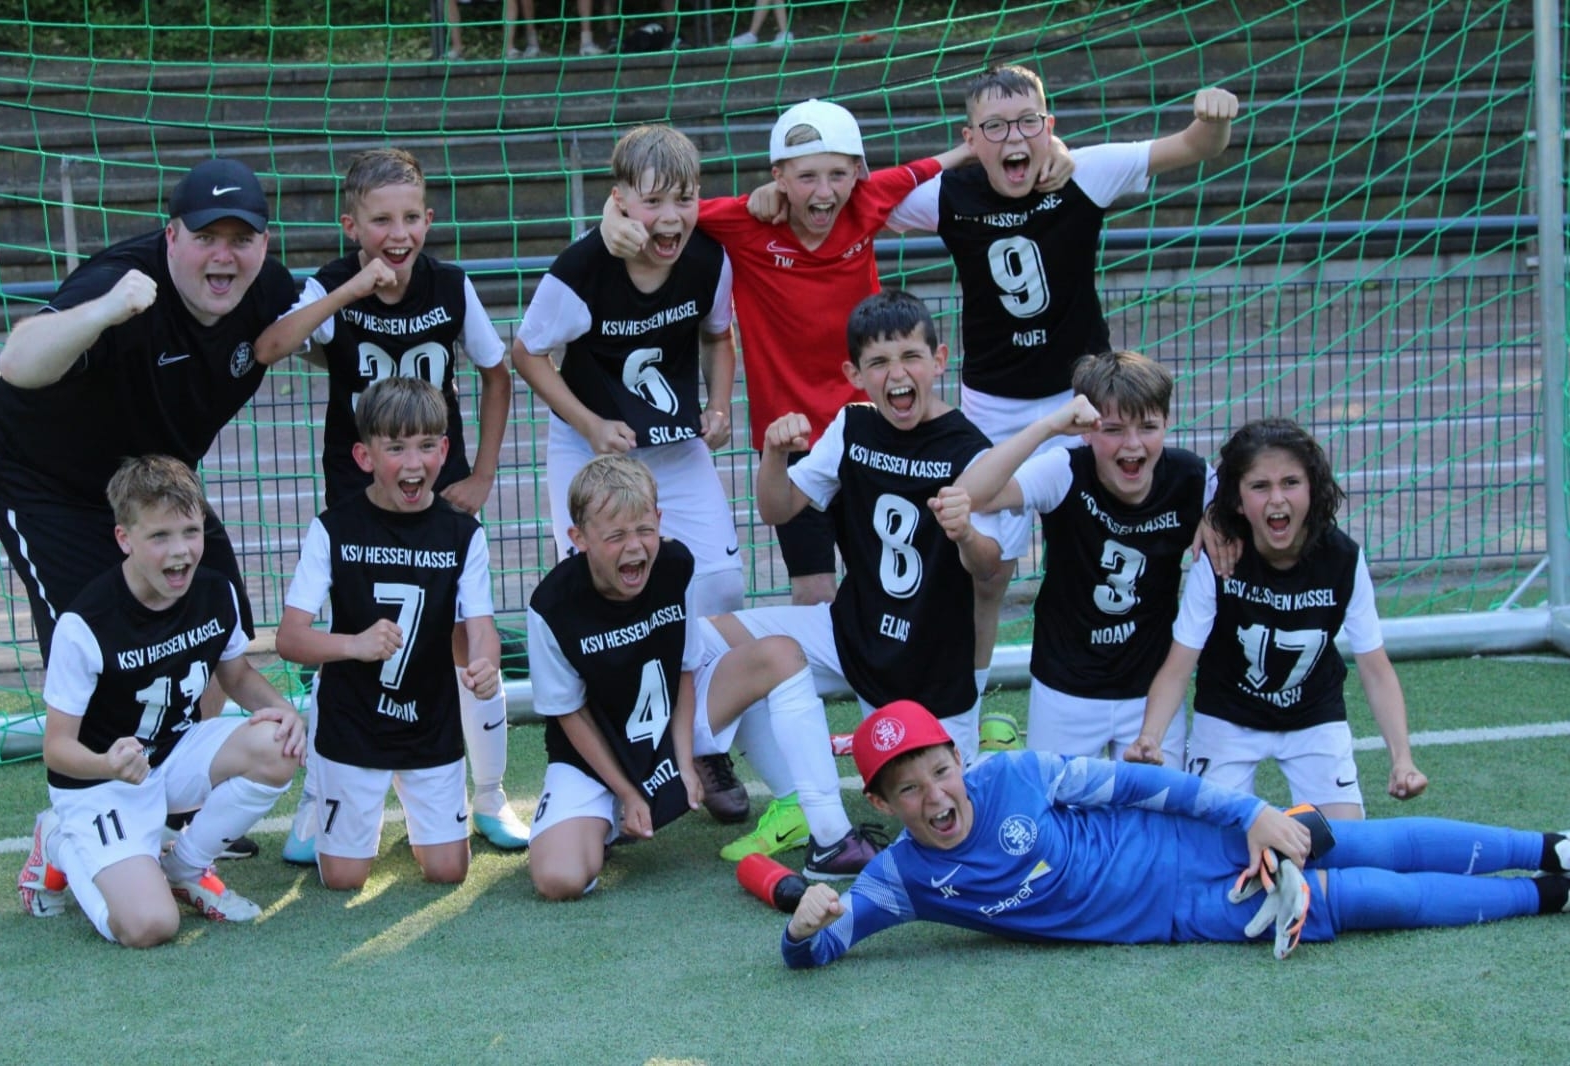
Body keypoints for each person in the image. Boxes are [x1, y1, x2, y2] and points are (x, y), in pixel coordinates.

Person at [600, 100, 1049, 607]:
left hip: (867, 429)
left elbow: (947, 159)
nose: (824, 191)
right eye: (807, 176)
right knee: (813, 590)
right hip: (790, 438)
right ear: (778, 177)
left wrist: (1048, 148)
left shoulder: (868, 201)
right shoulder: (745, 221)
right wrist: (611, 218)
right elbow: (667, 209)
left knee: (887, 576)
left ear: (858, 173)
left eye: (838, 174)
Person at [888, 65, 1241, 703]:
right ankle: (969, 704)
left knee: (1112, 539)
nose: (1013, 138)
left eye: (1028, 123)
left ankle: (1131, 685)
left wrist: (1214, 119)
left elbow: (1194, 146)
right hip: (995, 407)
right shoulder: (947, 193)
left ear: (1049, 126)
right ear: (970, 138)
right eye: (994, 128)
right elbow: (857, 199)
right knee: (985, 570)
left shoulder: (1085, 172)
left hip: (1089, 401)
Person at [714, 290, 1093, 881]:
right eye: (879, 362)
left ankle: (979, 760)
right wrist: (773, 454)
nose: (897, 374)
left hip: (931, 667)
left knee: (949, 828)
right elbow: (777, 509)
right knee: (712, 643)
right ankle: (805, 809)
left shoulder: (970, 448)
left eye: (911, 357)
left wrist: (964, 535)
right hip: (851, 633)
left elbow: (990, 570)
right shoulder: (852, 425)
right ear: (854, 374)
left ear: (939, 360)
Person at [0, 156, 296, 860]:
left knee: (213, 612)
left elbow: (333, 327)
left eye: (240, 238)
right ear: (171, 236)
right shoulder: (123, 284)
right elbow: (16, 361)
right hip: (47, 483)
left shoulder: (267, 289)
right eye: (205, 237)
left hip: (154, 481)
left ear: (264, 244)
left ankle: (181, 804)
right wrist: (104, 312)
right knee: (96, 633)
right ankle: (84, 817)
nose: (223, 256)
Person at [781, 699, 1570, 968]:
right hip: (1185, 913)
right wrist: (801, 930)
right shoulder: (899, 879)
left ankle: (1547, 847)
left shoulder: (1019, 773)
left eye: (939, 771)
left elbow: (1143, 785)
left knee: (1362, 842)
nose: (935, 797)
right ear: (882, 803)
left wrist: (1248, 814)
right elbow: (819, 952)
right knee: (1363, 902)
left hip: (1199, 842)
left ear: (958, 758)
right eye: (908, 790)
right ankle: (1546, 896)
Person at [254, 147, 522, 857]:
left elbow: (498, 374)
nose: (397, 235)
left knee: (462, 638)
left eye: (410, 219)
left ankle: (489, 795)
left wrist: (482, 474)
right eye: (380, 221)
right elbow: (270, 346)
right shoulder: (332, 284)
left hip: (439, 487)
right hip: (358, 491)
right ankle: (321, 799)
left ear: (428, 220)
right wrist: (349, 291)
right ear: (351, 226)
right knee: (350, 637)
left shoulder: (450, 285)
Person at [513, 125, 748, 821]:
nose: (671, 218)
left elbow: (718, 335)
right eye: (653, 201)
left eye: (684, 198)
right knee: (594, 594)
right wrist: (588, 424)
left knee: (719, 586)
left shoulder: (707, 259)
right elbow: (525, 353)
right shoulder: (583, 268)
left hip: (672, 446)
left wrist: (719, 404)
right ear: (619, 199)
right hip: (591, 447)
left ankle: (701, 743)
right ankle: (609, 755)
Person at [16, 456, 305, 947]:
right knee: (149, 926)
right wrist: (106, 764)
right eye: (159, 537)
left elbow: (236, 674)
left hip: (172, 755)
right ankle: (59, 841)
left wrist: (286, 711)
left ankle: (184, 868)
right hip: (101, 783)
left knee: (279, 743)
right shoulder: (85, 624)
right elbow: (56, 749)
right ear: (124, 539)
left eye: (191, 531)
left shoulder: (216, 592)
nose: (180, 551)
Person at [526, 455, 825, 899]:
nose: (635, 547)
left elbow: (685, 669)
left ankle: (822, 820)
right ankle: (609, 815)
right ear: (579, 538)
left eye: (644, 530)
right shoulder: (551, 605)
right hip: (595, 754)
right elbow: (569, 714)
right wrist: (628, 792)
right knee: (560, 879)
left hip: (666, 726)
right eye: (615, 536)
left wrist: (684, 762)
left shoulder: (675, 564)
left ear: (660, 520)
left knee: (778, 654)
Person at [1123, 418, 1427, 818]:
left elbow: (1376, 667)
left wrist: (1402, 759)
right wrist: (1150, 736)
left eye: (1291, 482)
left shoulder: (1342, 558)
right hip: (1228, 717)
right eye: (1260, 486)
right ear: (1236, 499)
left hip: (1313, 717)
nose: (1277, 499)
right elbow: (1179, 665)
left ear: (1313, 488)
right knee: (1216, 844)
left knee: (1343, 842)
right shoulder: (1219, 559)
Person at [273, 378, 500, 891]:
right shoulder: (333, 529)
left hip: (429, 721)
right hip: (352, 722)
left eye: (426, 446)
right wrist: (353, 645)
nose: (413, 463)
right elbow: (289, 639)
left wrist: (484, 664)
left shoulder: (464, 534)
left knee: (447, 872)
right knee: (343, 880)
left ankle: (427, 812)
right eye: (395, 448)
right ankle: (323, 792)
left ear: (445, 449)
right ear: (364, 456)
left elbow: (481, 629)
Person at [955, 350, 1218, 768]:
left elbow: (1254, 507)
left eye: (1148, 427)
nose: (1133, 444)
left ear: (1167, 423)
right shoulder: (1064, 470)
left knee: (1157, 806)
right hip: (1066, 688)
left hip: (1151, 692)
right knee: (1057, 803)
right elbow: (969, 494)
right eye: (1113, 429)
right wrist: (1048, 426)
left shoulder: (1193, 478)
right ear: (1086, 432)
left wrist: (1218, 517)